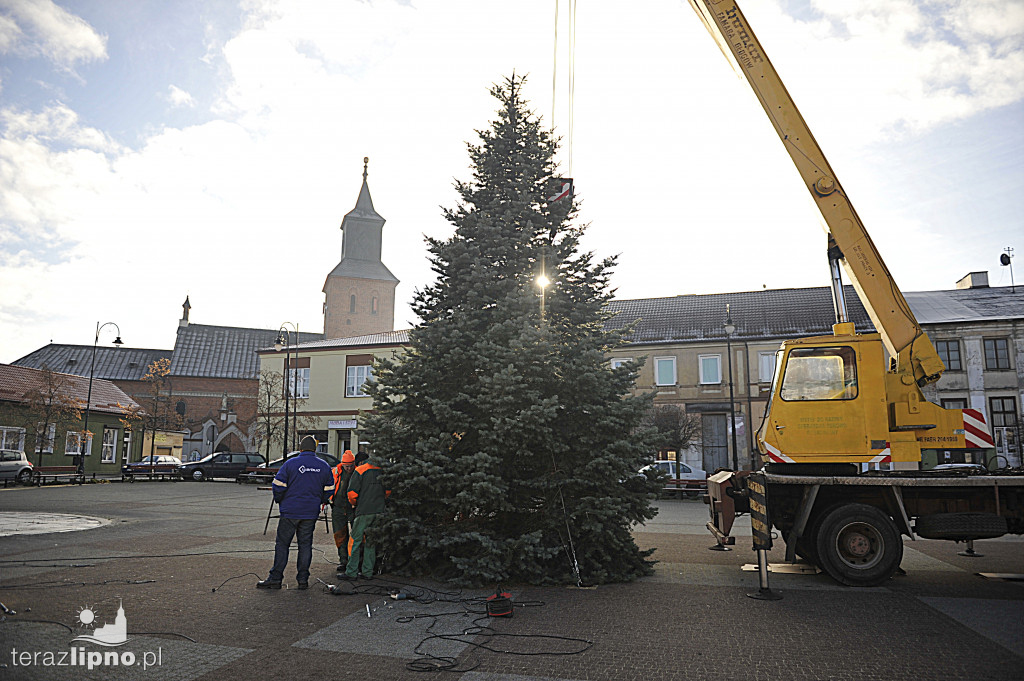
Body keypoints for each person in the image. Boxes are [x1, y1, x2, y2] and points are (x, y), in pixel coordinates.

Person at [257, 435, 334, 590]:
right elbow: (330, 489)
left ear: (300, 448)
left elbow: (277, 486)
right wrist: (319, 501)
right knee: (305, 545)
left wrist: (281, 501)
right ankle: (303, 580)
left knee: (282, 545)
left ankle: (276, 578)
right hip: (310, 513)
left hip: (290, 512)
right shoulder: (323, 466)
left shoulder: (290, 464)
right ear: (315, 449)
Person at [340, 455, 390, 580]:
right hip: (379, 511)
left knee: (355, 541)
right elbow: (388, 492)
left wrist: (355, 504)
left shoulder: (360, 470)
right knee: (371, 542)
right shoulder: (382, 471)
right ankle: (367, 572)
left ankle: (351, 572)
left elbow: (352, 493)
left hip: (363, 511)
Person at [330, 450, 357, 566]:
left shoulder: (358, 472)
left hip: (353, 507)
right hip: (338, 507)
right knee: (340, 534)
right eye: (347, 466)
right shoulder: (335, 472)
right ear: (342, 464)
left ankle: (355, 561)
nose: (349, 469)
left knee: (356, 535)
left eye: (351, 466)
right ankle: (343, 560)